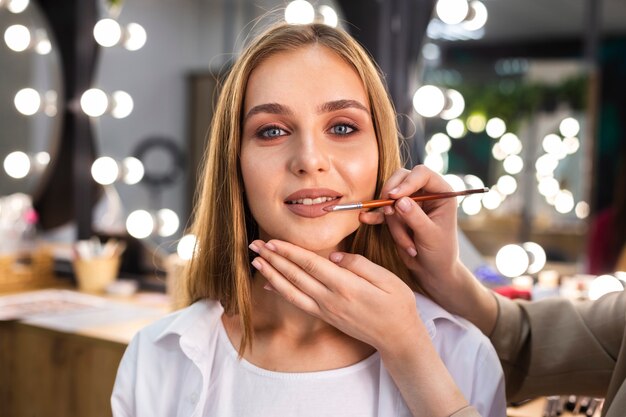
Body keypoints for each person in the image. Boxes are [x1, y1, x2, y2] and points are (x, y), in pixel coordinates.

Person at [111, 22, 506, 417]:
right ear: (236, 165)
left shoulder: (462, 355)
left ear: (381, 153)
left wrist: (409, 349)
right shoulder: (158, 356)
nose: (309, 160)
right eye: (271, 131)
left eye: (341, 127)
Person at [363, 173, 626, 415]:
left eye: (343, 128)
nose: (319, 161)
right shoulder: (461, 342)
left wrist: (410, 354)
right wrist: (447, 276)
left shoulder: (458, 346)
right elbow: (528, 343)